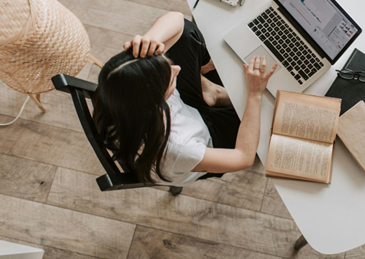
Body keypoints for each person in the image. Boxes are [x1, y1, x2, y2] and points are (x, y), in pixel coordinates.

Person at [93, 12, 277, 185]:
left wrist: (151, 39)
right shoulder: (179, 149)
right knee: (270, 116)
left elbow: (178, 21)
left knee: (187, 33)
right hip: (209, 138)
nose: (177, 69)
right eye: (169, 76)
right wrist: (254, 94)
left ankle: (210, 93)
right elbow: (243, 157)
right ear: (156, 101)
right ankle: (213, 92)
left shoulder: (119, 86)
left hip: (184, 112)